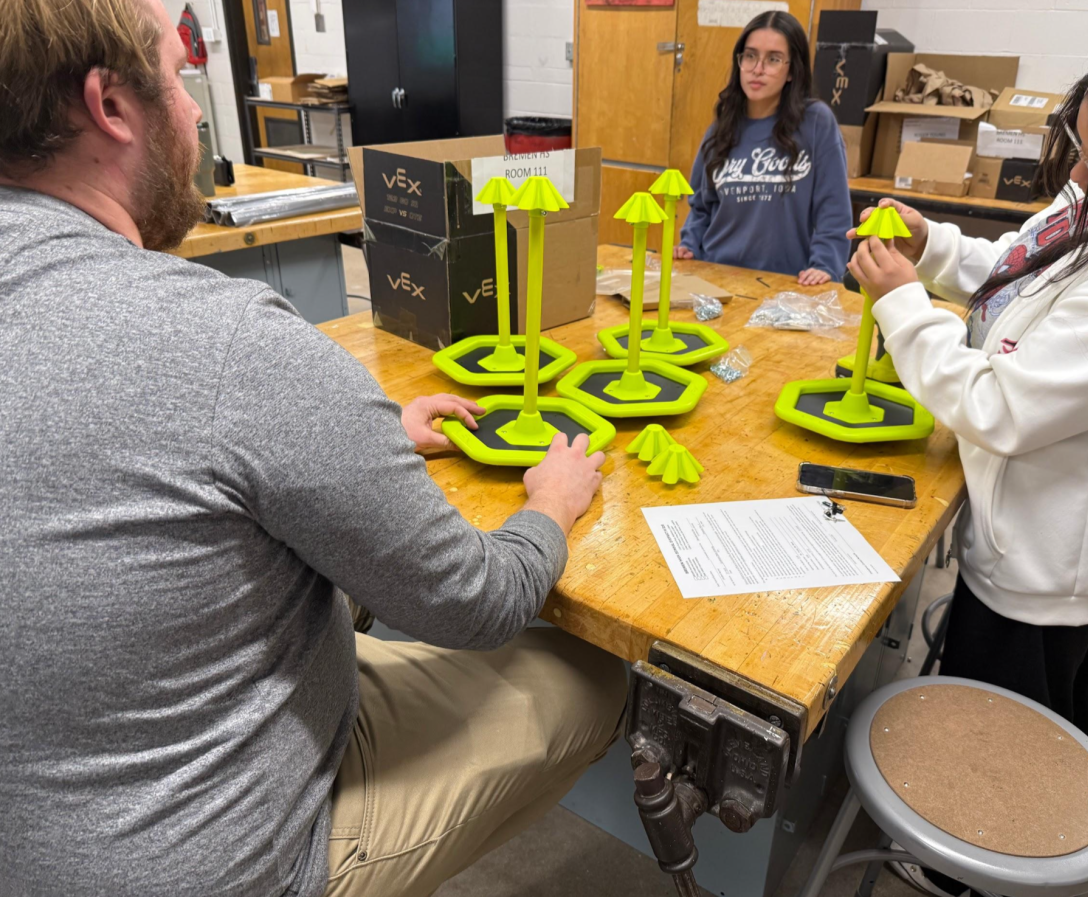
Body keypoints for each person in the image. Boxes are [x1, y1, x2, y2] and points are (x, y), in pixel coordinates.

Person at [0, 3, 626, 897]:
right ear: (110, 106)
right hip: (220, 861)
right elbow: (477, 602)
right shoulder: (226, 342)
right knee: (591, 678)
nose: (195, 112)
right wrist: (551, 504)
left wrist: (344, 438)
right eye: (180, 80)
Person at [847, 13, 1088, 894]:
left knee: (1003, 715)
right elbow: (1018, 262)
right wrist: (935, 249)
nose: (1078, 177)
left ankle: (980, 861)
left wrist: (899, 308)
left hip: (1052, 551)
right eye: (1076, 148)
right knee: (1041, 684)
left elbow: (997, 404)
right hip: (1036, 515)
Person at [676, 10, 853, 286]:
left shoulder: (816, 122)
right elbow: (701, 206)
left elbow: (834, 210)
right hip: (716, 277)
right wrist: (689, 245)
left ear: (793, 70)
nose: (758, 69)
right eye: (750, 56)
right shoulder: (723, 125)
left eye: (773, 59)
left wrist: (826, 266)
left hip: (788, 283)